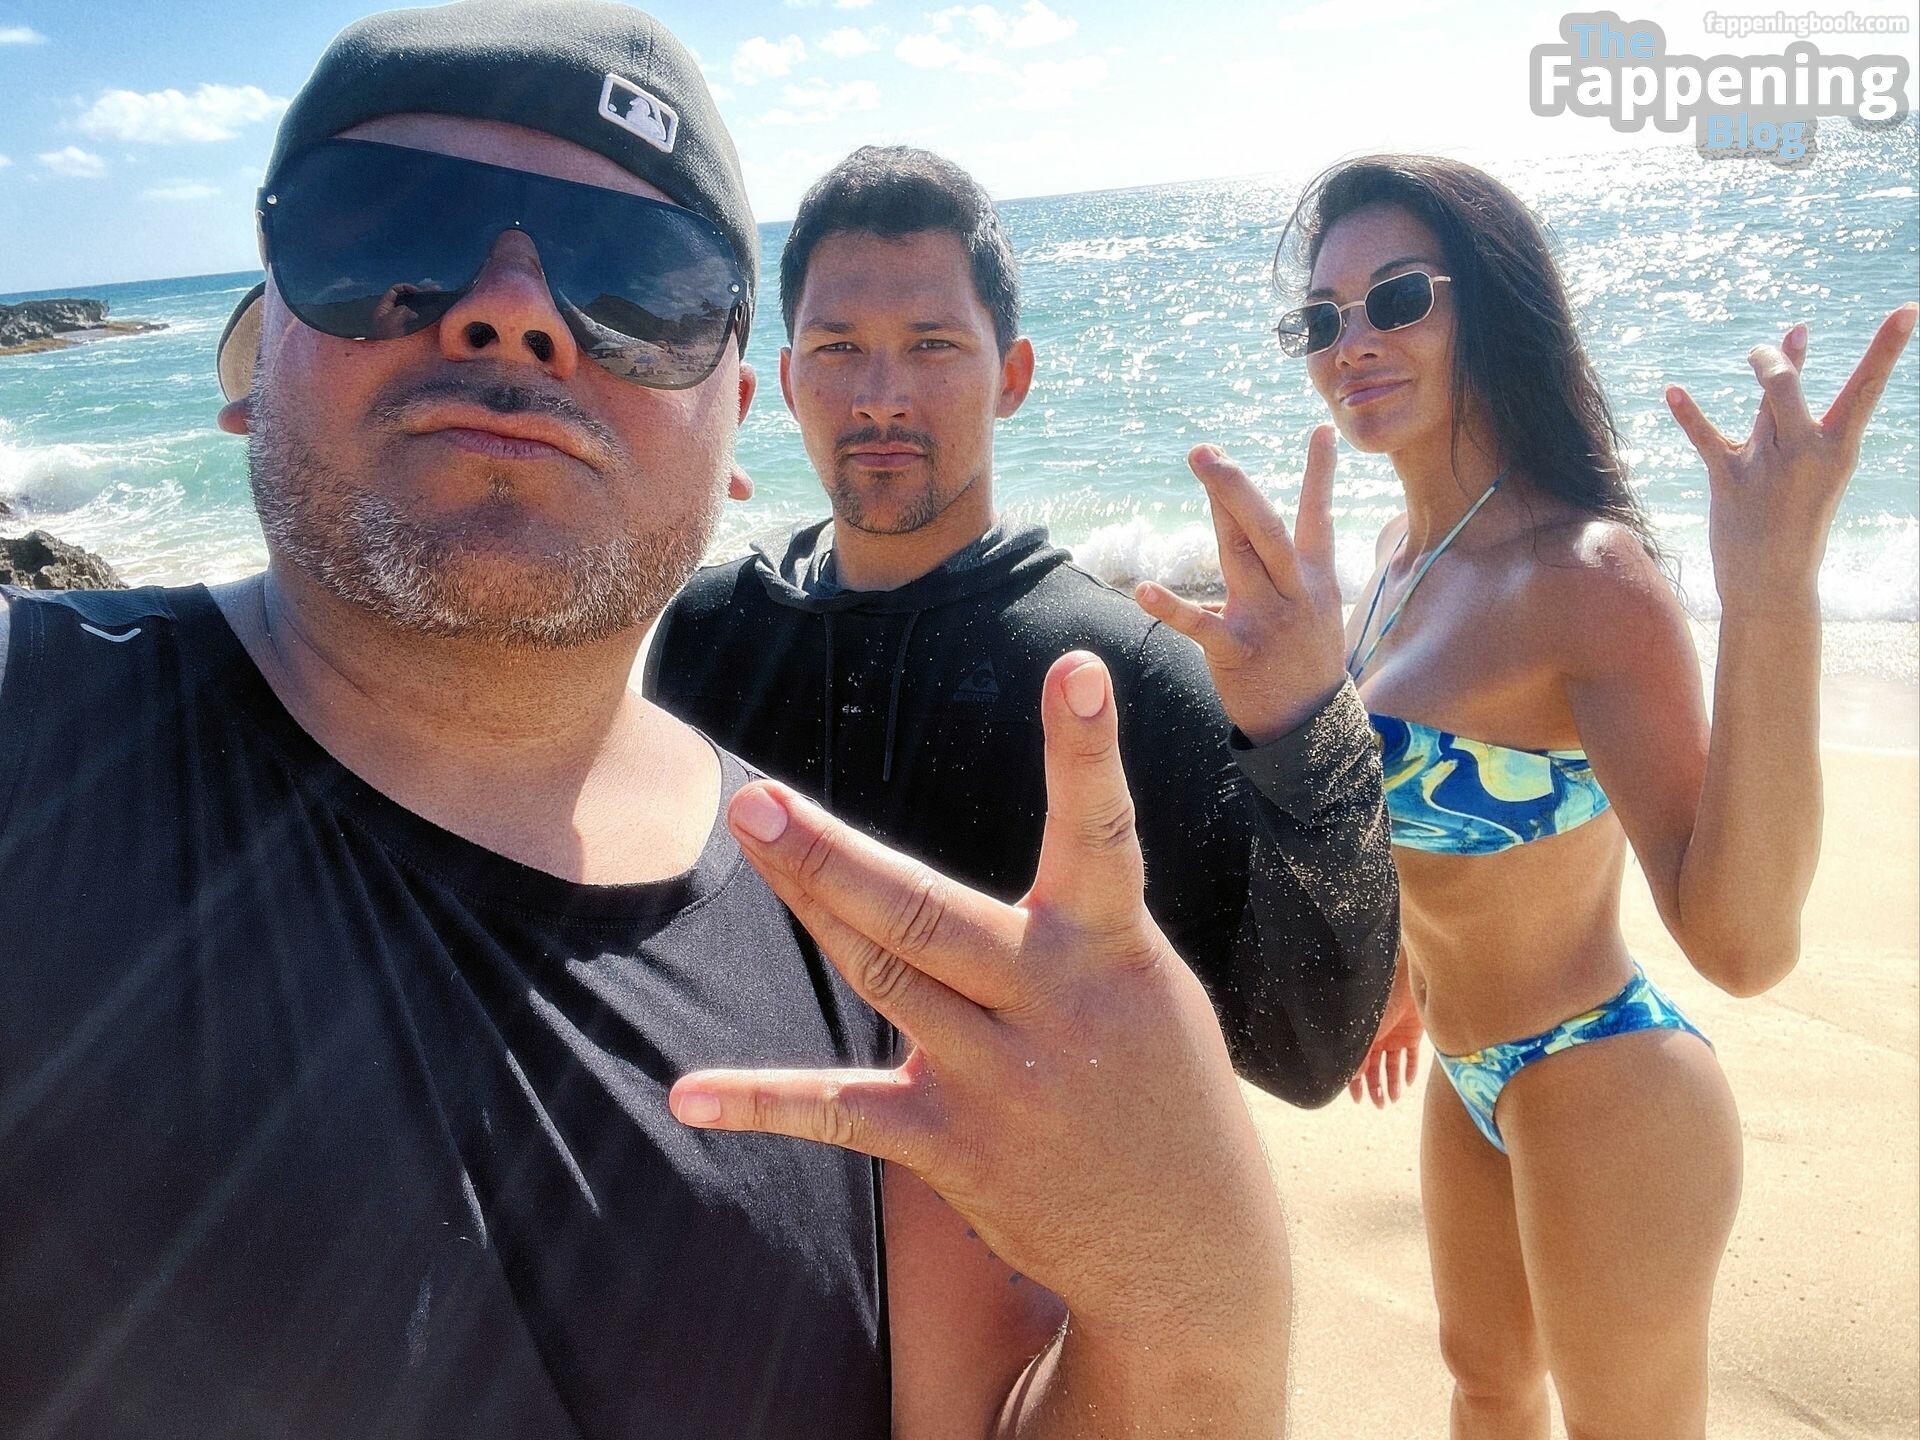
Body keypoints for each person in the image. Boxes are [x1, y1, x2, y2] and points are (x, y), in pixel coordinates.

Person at [0, 4, 1298, 1434]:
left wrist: (1199, 1312)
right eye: (388, 231)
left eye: (639, 282)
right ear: (260, 353)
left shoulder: (858, 963)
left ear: (737, 418)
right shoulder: (33, 729)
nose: (515, 309)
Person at [1142, 152, 1915, 1437]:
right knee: (1488, 1393)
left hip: (1605, 1076)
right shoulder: (1395, 558)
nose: (1352, 342)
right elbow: (1407, 822)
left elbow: (1743, 942)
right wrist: (1400, 976)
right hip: (1468, 1070)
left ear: (1489, 305)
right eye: (1322, 319)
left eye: (1397, 298)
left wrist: (1771, 585)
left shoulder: (1586, 577)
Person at [645, 146, 1400, 1108]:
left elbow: (1305, 1047)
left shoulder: (1115, 679)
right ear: (788, 380)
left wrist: (1309, 724)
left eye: (932, 345)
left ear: (1013, 375)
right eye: (838, 348)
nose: (881, 394)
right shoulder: (710, 630)